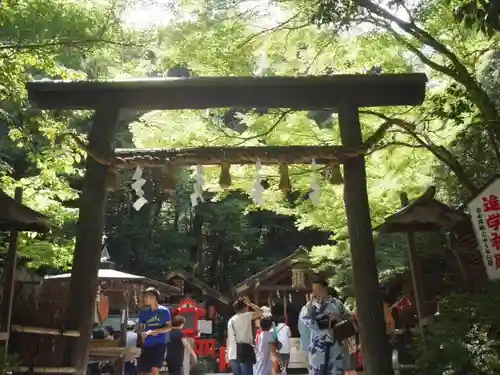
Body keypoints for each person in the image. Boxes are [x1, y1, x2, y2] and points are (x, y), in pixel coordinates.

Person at [302, 275, 351, 375]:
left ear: (325, 289)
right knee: (317, 371)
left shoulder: (337, 303)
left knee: (335, 371)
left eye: (319, 289)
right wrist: (311, 304)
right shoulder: (309, 306)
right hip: (317, 344)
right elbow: (306, 321)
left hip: (335, 343)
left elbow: (348, 320)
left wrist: (337, 317)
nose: (316, 292)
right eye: (314, 290)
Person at [137, 287, 172, 375]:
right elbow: (141, 327)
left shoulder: (164, 311)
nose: (144, 299)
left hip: (159, 344)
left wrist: (155, 331)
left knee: (154, 368)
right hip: (146, 344)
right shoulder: (143, 312)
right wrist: (141, 333)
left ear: (153, 297)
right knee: (145, 371)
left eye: (146, 297)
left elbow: (169, 327)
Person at [226, 296, 263, 375]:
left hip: (232, 352)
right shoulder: (247, 315)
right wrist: (251, 304)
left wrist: (227, 352)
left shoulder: (231, 320)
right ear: (245, 306)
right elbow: (260, 312)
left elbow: (228, 338)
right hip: (244, 351)